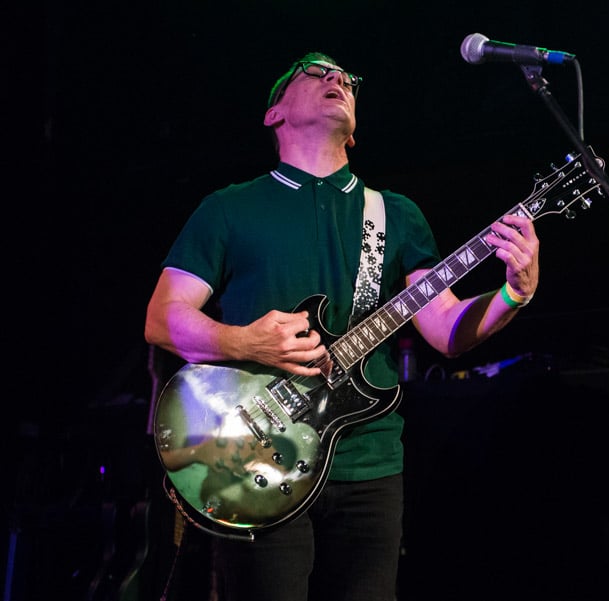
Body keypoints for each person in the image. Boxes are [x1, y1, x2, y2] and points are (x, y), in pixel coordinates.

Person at [144, 50, 540, 601]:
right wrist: (244, 341)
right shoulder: (228, 209)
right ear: (274, 114)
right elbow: (163, 319)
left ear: (354, 133)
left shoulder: (395, 214)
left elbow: (446, 328)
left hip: (372, 464)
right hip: (255, 458)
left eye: (347, 78)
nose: (339, 79)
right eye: (316, 71)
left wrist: (512, 294)